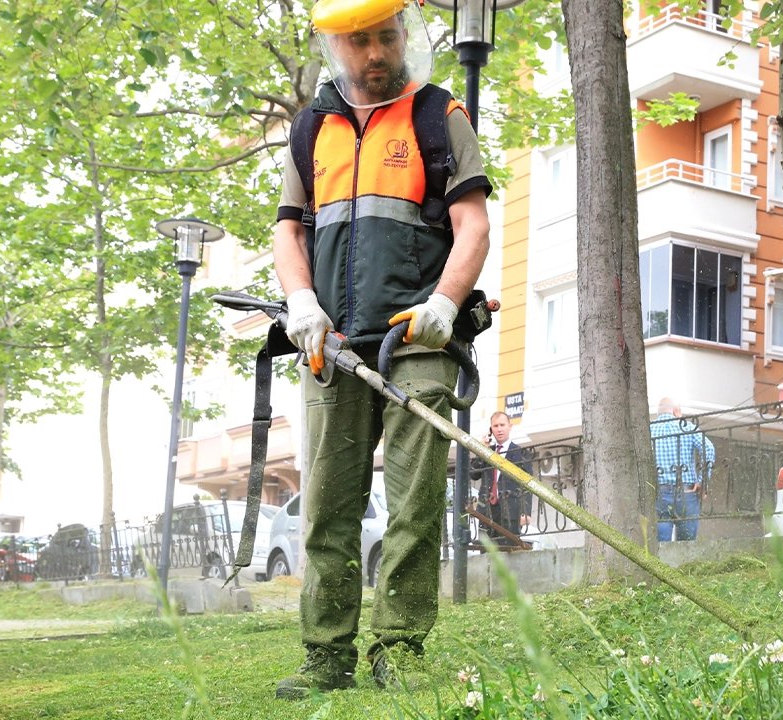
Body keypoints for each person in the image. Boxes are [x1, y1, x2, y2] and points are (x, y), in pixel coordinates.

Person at [270, 0, 491, 700]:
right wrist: (301, 303)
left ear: (405, 36)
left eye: (387, 37)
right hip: (330, 344)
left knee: (414, 504)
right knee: (329, 507)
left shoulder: (438, 115)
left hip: (416, 336)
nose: (375, 53)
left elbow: (473, 226)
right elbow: (289, 232)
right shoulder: (312, 128)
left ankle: (398, 647)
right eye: (360, 40)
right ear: (337, 46)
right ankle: (326, 656)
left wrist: (444, 306)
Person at [650, 397, 714, 542]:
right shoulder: (686, 427)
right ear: (676, 410)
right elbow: (708, 448)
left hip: (659, 494)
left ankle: (662, 564)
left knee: (661, 544)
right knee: (686, 546)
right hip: (687, 493)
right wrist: (702, 481)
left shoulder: (649, 430)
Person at [475, 411, 533, 544]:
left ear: (510, 426)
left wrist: (526, 512)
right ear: (491, 429)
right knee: (487, 553)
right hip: (487, 510)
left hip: (511, 509)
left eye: (502, 425)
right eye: (495, 426)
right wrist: (481, 450)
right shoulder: (487, 451)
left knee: (508, 551)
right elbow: (474, 473)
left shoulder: (520, 453)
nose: (499, 429)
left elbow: (528, 484)